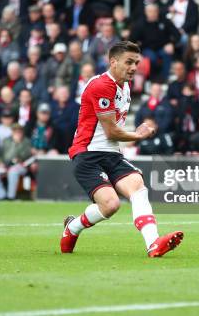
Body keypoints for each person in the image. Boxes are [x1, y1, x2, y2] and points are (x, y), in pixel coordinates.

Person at [62, 41, 183, 257]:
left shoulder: (125, 86)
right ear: (113, 62)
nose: (134, 68)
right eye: (129, 62)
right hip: (87, 153)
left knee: (138, 186)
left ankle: (153, 243)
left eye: (136, 63)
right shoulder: (101, 85)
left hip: (112, 154)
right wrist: (138, 135)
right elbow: (111, 132)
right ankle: (72, 228)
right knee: (110, 205)